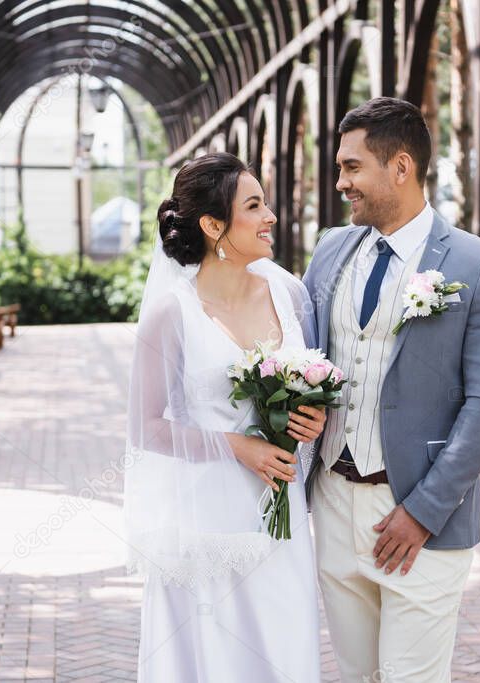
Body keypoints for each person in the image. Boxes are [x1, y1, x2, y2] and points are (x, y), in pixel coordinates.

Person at [302, 97, 480, 682]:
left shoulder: (478, 264)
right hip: (332, 499)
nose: (341, 181)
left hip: (419, 516)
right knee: (356, 675)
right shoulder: (330, 251)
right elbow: (303, 358)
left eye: (352, 168)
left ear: (400, 167)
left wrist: (422, 512)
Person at [123, 153, 325, 682]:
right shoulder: (173, 313)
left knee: (284, 652)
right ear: (214, 226)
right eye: (254, 206)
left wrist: (309, 421)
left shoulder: (290, 295)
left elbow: (313, 385)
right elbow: (145, 428)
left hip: (279, 517)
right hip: (203, 525)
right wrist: (239, 447)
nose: (270, 217)